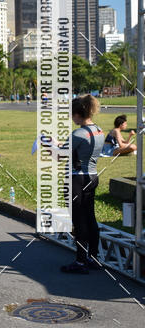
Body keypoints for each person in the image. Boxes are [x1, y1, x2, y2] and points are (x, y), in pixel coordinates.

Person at [61, 94, 105, 275]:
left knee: (79, 221)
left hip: (76, 179)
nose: (71, 119)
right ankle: (93, 257)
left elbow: (60, 155)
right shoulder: (98, 130)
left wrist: (44, 144)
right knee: (90, 218)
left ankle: (80, 261)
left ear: (78, 114)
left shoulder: (78, 133)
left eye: (71, 115)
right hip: (92, 176)